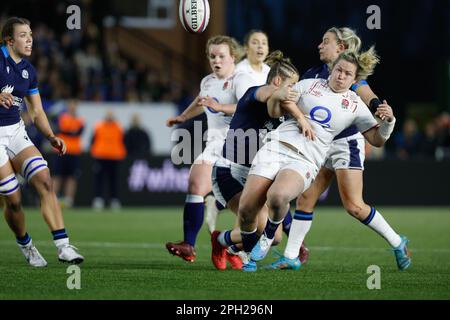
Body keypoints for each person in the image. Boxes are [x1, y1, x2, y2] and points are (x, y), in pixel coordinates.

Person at [239, 49, 407, 272]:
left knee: (278, 197)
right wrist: (299, 117)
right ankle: (267, 255)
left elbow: (376, 140)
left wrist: (389, 122)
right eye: (338, 70)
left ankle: (269, 235)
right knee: (247, 210)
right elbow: (284, 101)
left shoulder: (356, 106)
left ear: (355, 79)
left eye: (347, 74)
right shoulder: (309, 85)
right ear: (332, 69)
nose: (341, 76)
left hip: (306, 159)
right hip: (275, 147)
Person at [209, 50, 313, 270]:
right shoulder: (257, 92)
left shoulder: (283, 110)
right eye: (292, 85)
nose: (294, 91)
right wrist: (301, 118)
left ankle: (222, 241)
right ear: (277, 81)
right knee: (256, 225)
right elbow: (274, 96)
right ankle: (243, 257)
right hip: (229, 171)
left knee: (274, 238)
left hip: (254, 173)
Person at [0, 17, 83, 266]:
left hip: (15, 130)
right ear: (9, 40)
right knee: (13, 200)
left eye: (31, 35)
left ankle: (64, 246)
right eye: (24, 35)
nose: (30, 40)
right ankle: (25, 244)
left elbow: (36, 112)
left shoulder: (28, 70)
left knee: (44, 179)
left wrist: (51, 136)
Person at [165, 35, 255, 262]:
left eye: (221, 56)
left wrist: (220, 107)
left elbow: (248, 108)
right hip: (215, 144)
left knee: (248, 207)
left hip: (241, 144)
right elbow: (201, 100)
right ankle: (188, 245)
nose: (216, 60)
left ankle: (235, 245)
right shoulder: (207, 81)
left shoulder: (241, 79)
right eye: (212, 56)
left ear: (233, 57)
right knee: (195, 183)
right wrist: (183, 116)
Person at [204, 29, 270, 233]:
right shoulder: (239, 72)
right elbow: (246, 107)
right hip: (239, 140)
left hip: (261, 137)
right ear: (245, 47)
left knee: (262, 198)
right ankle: (239, 246)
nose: (260, 47)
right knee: (252, 201)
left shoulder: (269, 72)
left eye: (264, 43)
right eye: (255, 42)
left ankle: (216, 206)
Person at [90, 109, 127, 211]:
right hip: (101, 156)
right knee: (99, 180)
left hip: (115, 156)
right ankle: (98, 200)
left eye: (111, 115)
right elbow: (93, 140)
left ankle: (114, 200)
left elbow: (123, 141)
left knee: (114, 180)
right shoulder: (99, 126)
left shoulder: (118, 127)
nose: (110, 117)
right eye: (108, 115)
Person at [52, 99, 84, 208]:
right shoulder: (62, 118)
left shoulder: (80, 120)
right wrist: (70, 131)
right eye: (71, 105)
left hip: (74, 152)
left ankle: (68, 200)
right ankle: (52, 199)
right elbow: (63, 130)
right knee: (57, 176)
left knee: (72, 177)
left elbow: (77, 132)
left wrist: (69, 131)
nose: (73, 107)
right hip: (61, 150)